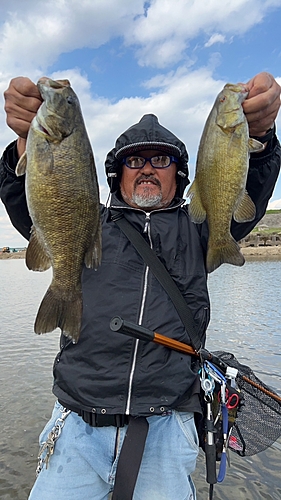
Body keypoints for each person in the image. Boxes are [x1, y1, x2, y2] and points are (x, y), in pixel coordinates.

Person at [0, 72, 280, 500]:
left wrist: (259, 137)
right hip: (77, 424)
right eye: (135, 160)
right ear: (118, 174)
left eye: (160, 160)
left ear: (180, 175)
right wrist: (24, 143)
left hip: (166, 430)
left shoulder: (199, 231)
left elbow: (246, 194)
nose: (147, 168)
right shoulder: (89, 223)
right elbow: (31, 200)